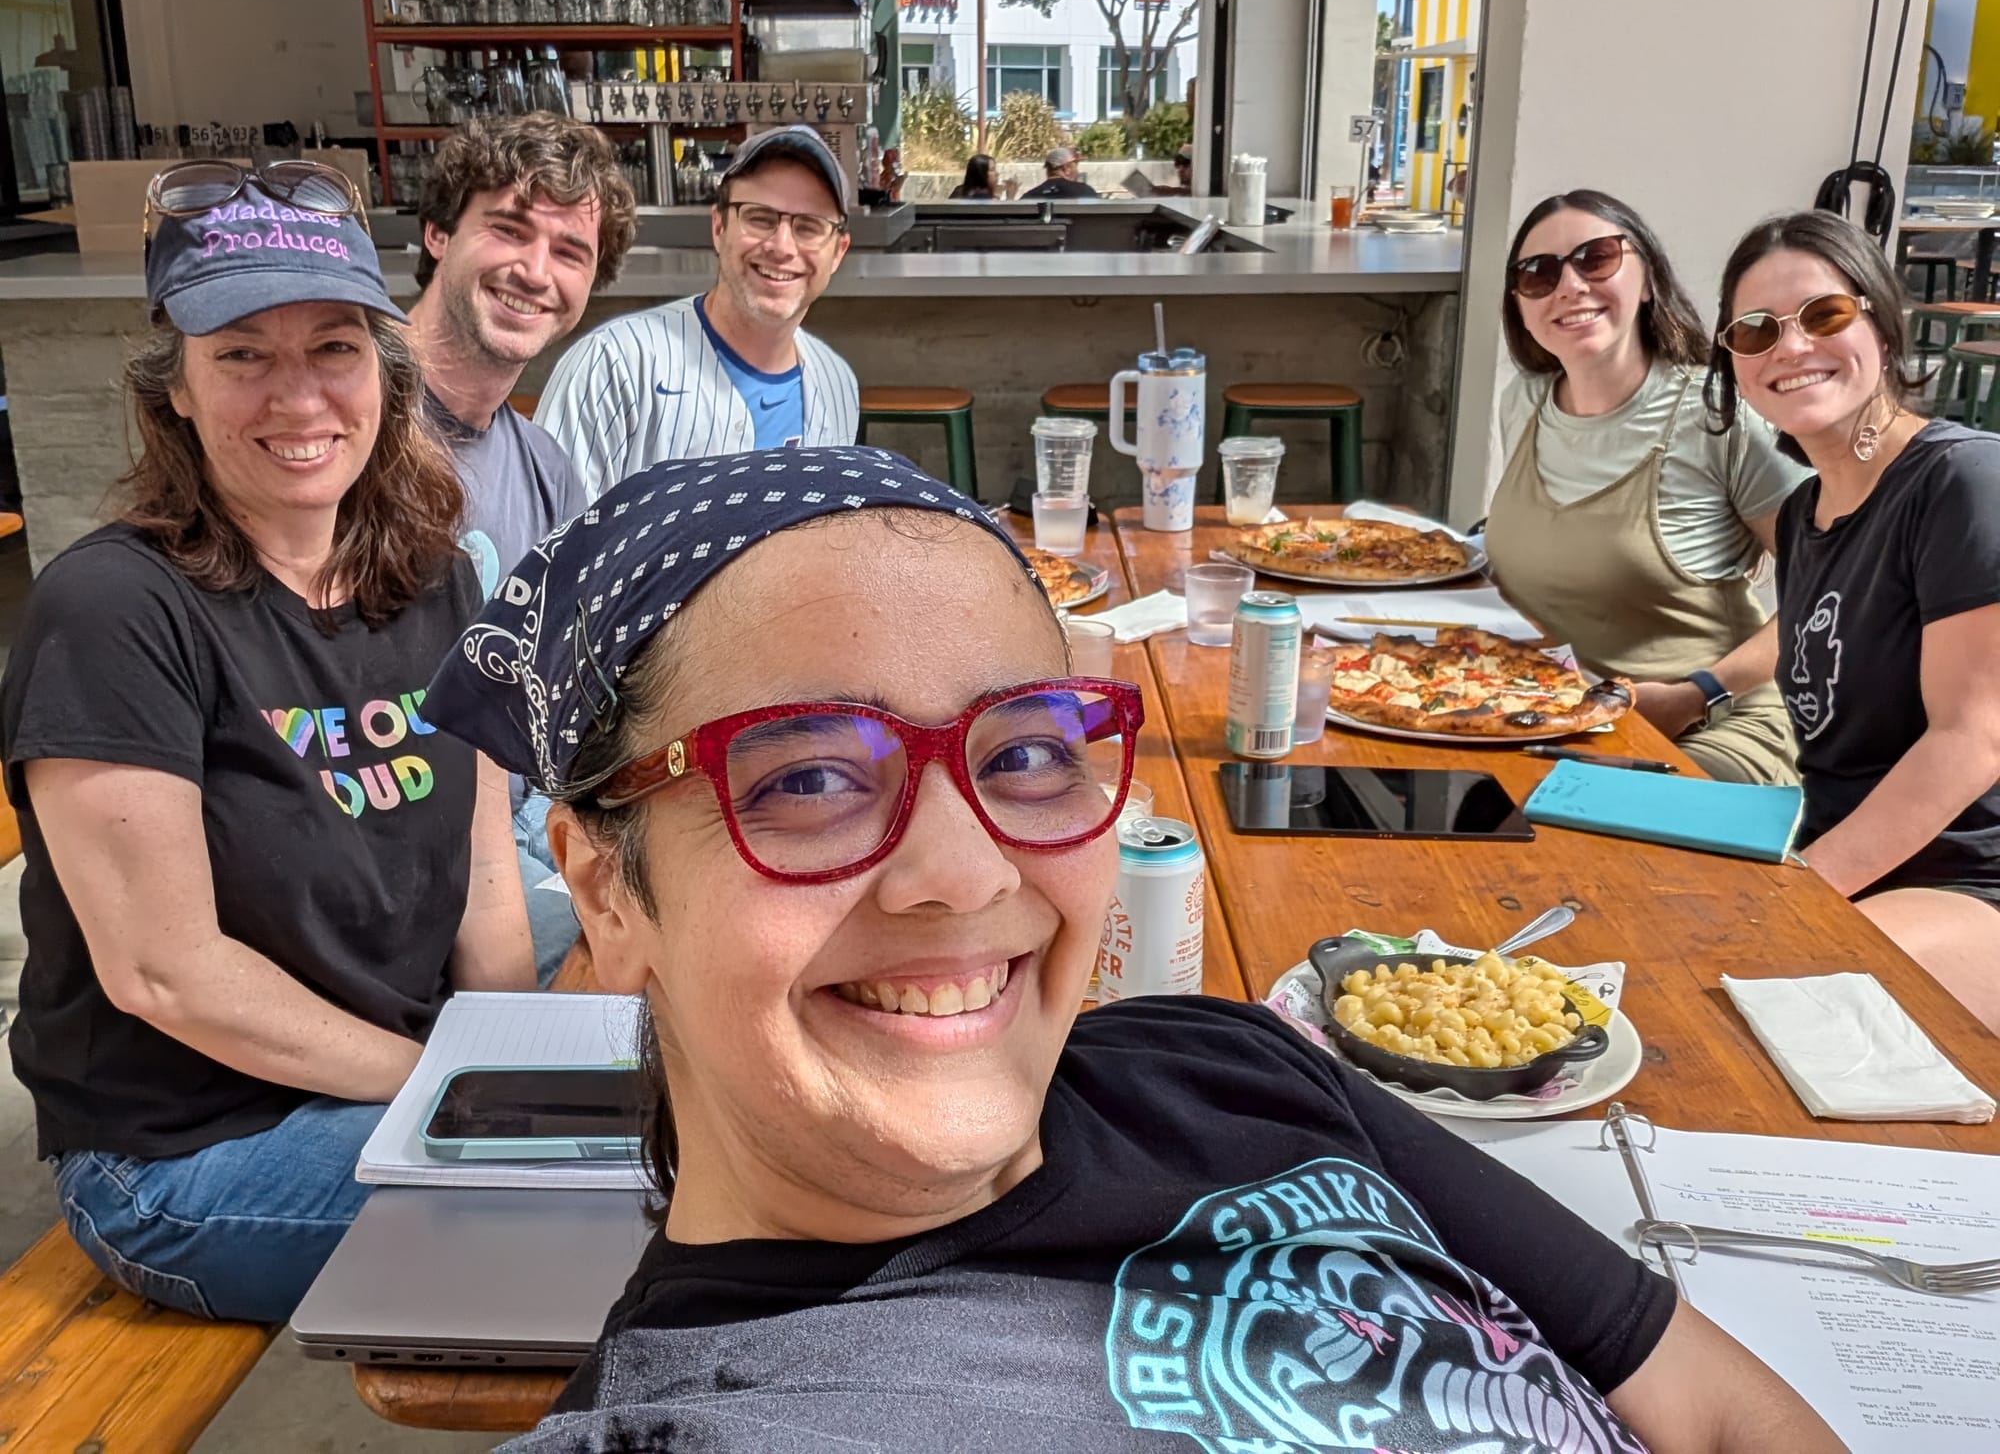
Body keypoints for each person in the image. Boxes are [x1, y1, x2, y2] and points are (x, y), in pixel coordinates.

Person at [426, 447, 1841, 1453]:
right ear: (608, 889)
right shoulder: (700, 1423)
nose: (964, 871)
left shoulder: (1227, 1062)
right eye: (805, 778)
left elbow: (1717, 1406)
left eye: (1026, 752)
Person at [0, 163, 535, 1323]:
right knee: (634, 1213)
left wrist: (520, 1069)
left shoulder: (436, 576)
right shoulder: (114, 610)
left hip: (389, 1058)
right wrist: (460, 1088)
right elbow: (165, 973)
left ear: (385, 374)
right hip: (186, 1154)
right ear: (177, 391)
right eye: (242, 353)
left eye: (333, 347)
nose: (298, 398)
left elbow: (488, 873)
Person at [1707, 210, 2000, 1034]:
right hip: (1844, 862)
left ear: (1880, 318)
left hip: (1970, 887)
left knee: (1767, 1009)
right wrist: (1697, 688)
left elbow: (1972, 740)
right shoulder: (1806, 513)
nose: (1791, 348)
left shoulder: (1963, 483)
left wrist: (1795, 892)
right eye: (1756, 329)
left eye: (1825, 315)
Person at [408, 113, 638, 975]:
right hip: (389, 844)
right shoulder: (334, 432)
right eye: (507, 229)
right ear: (438, 233)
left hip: (515, 830)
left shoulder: (543, 467)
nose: (534, 272)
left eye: (569, 253)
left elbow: (558, 691)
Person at [1487, 191, 1808, 785]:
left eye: (1597, 258)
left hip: (1708, 726)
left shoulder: (1719, 414)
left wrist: (1698, 692)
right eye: (1539, 272)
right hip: (1551, 719)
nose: (1570, 285)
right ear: (1520, 303)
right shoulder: (1523, 404)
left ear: (1647, 280)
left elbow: (1828, 590)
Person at [534, 126, 859, 501]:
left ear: (838, 252)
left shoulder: (838, 384)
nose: (782, 246)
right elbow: (553, 546)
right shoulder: (615, 366)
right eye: (759, 218)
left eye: (809, 227)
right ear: (719, 227)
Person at [1022, 144, 1100, 200]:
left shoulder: (1028, 197)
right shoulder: (1086, 192)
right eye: (1075, 166)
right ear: (1066, 169)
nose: (1078, 172)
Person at [948, 151, 1014, 200]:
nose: (997, 174)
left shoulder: (960, 190)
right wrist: (1008, 197)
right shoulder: (980, 195)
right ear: (981, 173)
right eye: (992, 170)